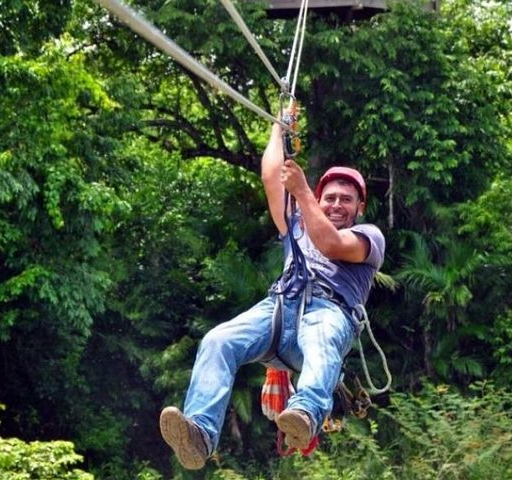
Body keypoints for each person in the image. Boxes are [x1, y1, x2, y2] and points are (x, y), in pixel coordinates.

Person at [159, 114, 385, 470]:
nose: (337, 205)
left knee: (323, 341)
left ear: (360, 208)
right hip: (279, 309)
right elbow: (270, 176)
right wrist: (279, 126)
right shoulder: (296, 224)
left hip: (327, 313)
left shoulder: (369, 238)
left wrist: (304, 191)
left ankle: (306, 414)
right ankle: (199, 435)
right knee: (219, 341)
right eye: (331, 198)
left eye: (346, 199)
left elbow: (329, 243)